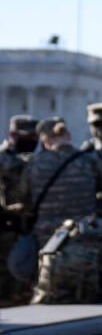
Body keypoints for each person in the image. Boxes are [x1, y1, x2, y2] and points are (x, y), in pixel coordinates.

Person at [10, 118, 102, 287]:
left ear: (45, 140)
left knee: (43, 278)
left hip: (47, 239)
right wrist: (97, 206)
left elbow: (22, 199)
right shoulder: (89, 161)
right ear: (69, 136)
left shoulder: (34, 164)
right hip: (85, 234)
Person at [0, 115, 39, 303]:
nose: (32, 142)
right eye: (27, 137)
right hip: (5, 231)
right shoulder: (2, 159)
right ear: (13, 135)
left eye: (34, 138)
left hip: (27, 229)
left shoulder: (34, 160)